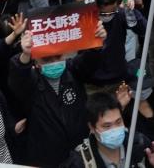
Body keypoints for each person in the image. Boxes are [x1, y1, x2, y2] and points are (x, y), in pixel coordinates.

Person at [8, 23, 107, 167]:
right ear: (35, 61)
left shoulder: (73, 70)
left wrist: (97, 44)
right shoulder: (29, 82)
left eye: (58, 57)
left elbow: (90, 61)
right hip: (48, 156)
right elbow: (17, 77)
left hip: (80, 150)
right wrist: (25, 55)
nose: (54, 63)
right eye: (46, 60)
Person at [61, 92, 154, 168]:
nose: (115, 129)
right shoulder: (80, 162)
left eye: (118, 122)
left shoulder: (139, 143)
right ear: (92, 127)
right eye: (107, 126)